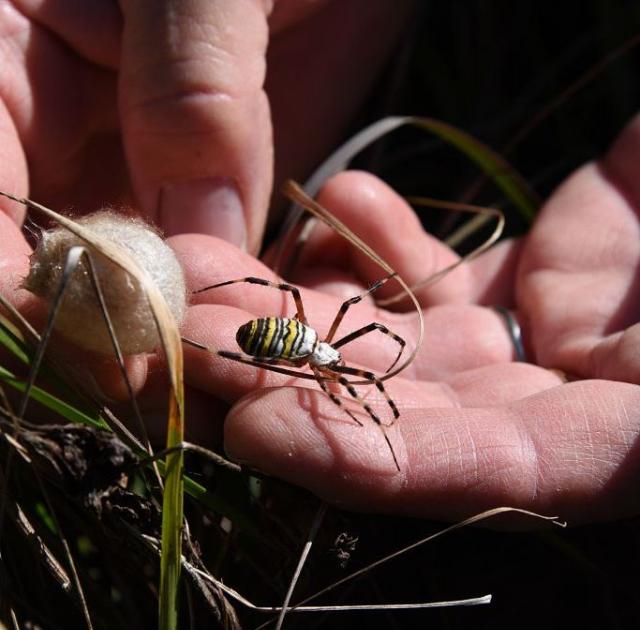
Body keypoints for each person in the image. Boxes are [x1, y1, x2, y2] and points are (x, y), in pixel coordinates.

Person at [1, 1, 639, 526]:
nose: (344, 378)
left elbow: (360, 343)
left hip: (294, 343)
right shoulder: (323, 367)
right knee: (267, 362)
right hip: (288, 340)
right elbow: (365, 331)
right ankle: (205, 320)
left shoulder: (317, 369)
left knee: (273, 386)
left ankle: (202, 327)